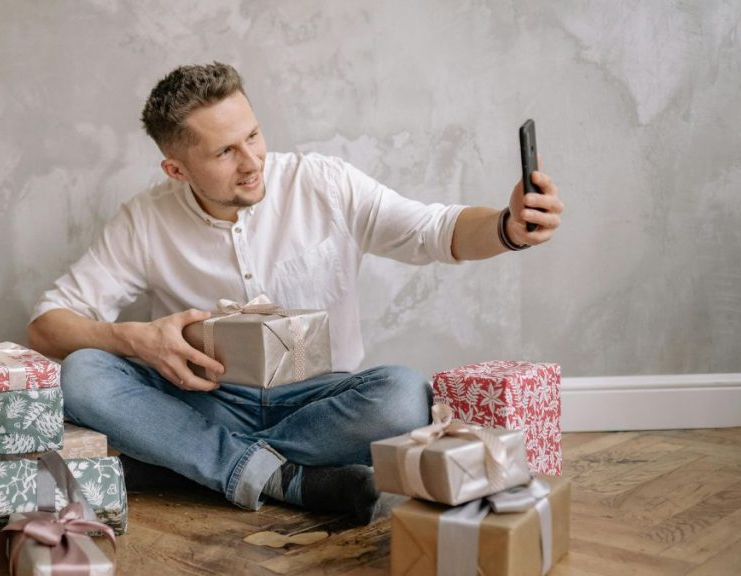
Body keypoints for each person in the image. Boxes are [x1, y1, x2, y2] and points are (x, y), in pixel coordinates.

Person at [28, 62, 563, 524]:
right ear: (177, 169)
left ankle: (196, 466)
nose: (252, 160)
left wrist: (507, 226)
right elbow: (47, 325)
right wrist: (134, 338)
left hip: (321, 404)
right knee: (84, 375)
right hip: (208, 403)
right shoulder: (144, 219)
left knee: (404, 395)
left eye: (254, 135)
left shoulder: (323, 183)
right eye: (225, 152)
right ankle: (294, 482)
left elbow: (433, 230)